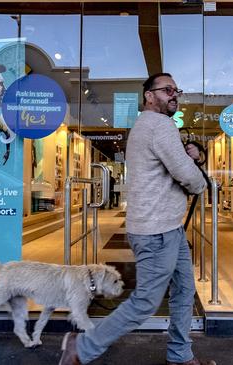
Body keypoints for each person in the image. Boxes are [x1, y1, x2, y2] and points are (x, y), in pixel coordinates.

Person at [59, 73, 215, 365]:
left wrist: (191, 161)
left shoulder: (144, 126)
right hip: (157, 231)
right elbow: (189, 178)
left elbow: (175, 165)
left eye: (176, 90)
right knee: (145, 302)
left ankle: (180, 354)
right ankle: (82, 345)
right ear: (149, 96)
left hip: (166, 228)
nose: (174, 95)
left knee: (184, 289)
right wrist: (199, 179)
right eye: (167, 90)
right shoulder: (160, 125)